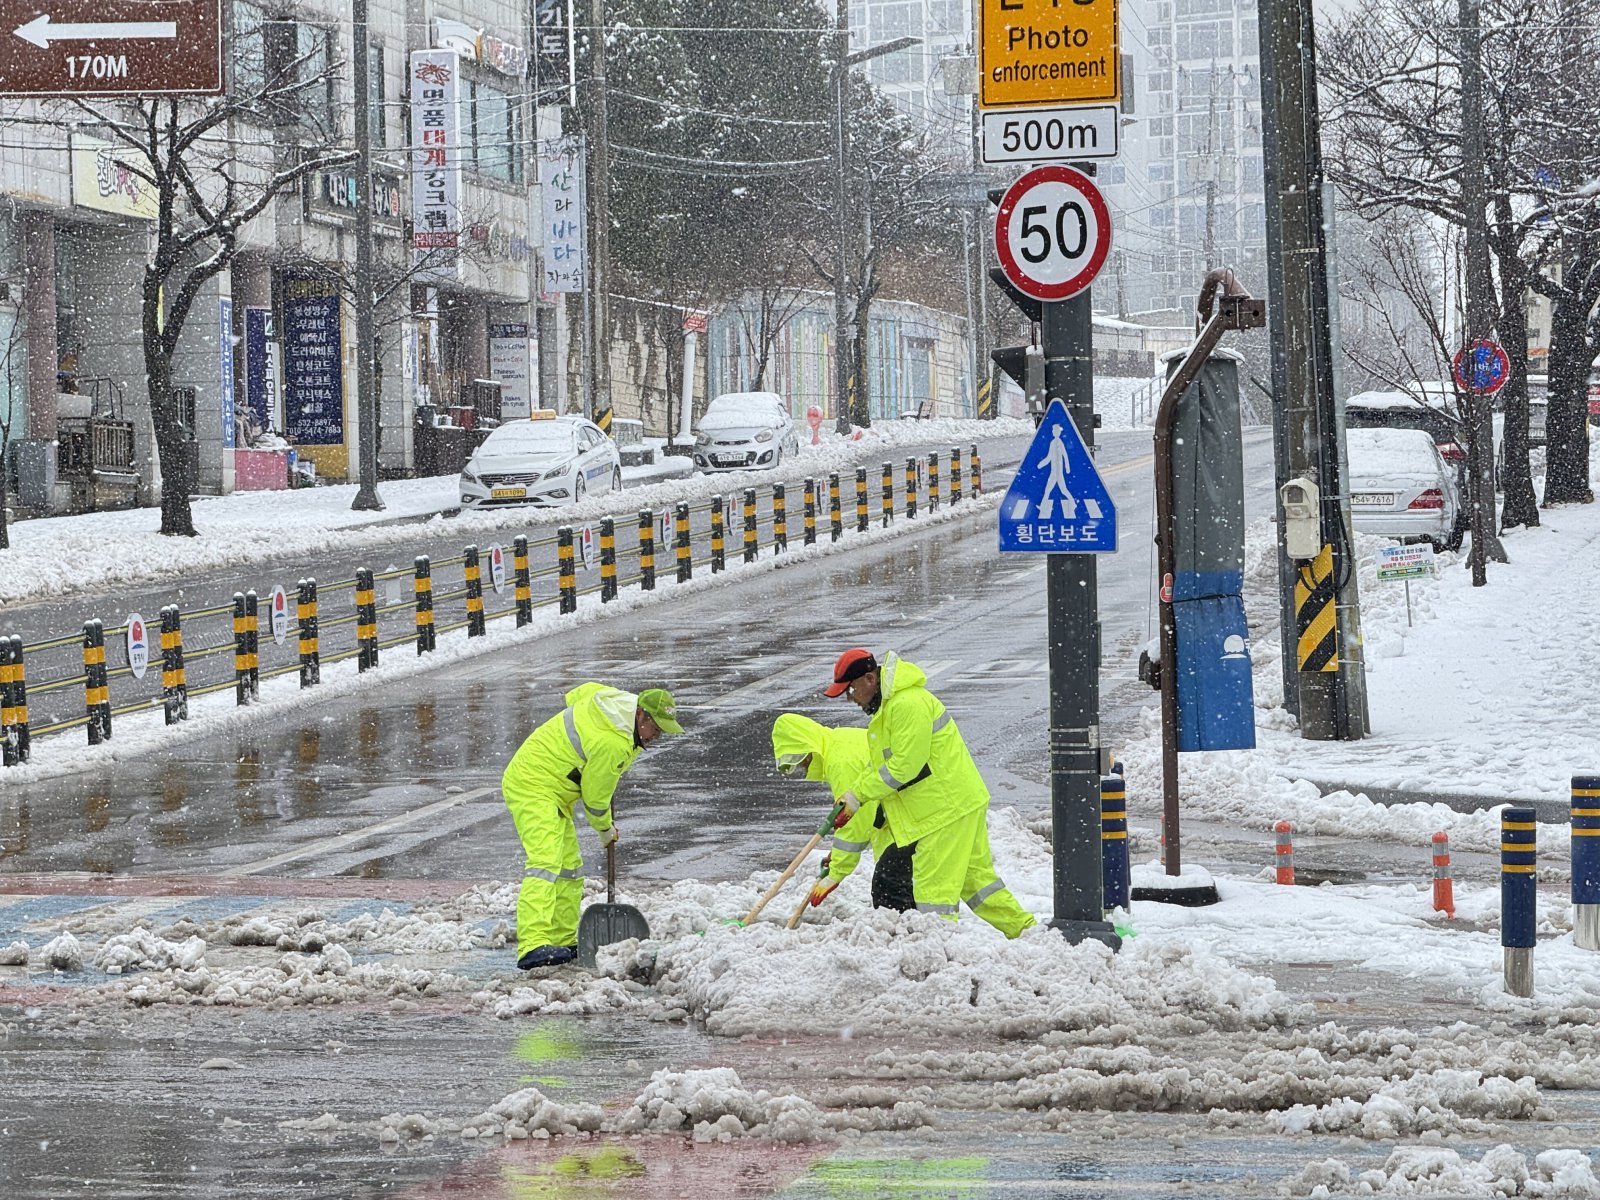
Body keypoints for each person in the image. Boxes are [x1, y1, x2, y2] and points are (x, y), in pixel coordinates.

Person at [824, 648, 1035, 938]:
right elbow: (879, 766)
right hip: (953, 804)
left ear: (870, 679)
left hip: (944, 810)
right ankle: (1028, 932)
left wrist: (859, 794)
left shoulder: (907, 705)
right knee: (978, 884)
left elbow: (903, 768)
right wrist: (852, 796)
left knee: (932, 895)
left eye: (850, 689)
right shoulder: (889, 709)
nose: (850, 698)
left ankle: (937, 958)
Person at [502, 683, 683, 968]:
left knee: (570, 868)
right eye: (656, 727)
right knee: (546, 862)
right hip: (533, 784)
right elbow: (596, 798)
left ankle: (562, 940)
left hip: (552, 786)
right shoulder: (613, 742)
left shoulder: (614, 702)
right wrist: (605, 830)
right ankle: (533, 944)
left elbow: (579, 692)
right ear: (640, 715)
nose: (658, 735)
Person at [771, 713, 915, 912]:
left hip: (912, 815)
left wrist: (835, 874)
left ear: (810, 745)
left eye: (801, 758)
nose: (803, 766)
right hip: (900, 814)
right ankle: (915, 927)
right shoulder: (839, 742)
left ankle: (910, 932)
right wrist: (837, 854)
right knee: (898, 881)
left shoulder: (840, 762)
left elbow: (856, 824)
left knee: (889, 887)